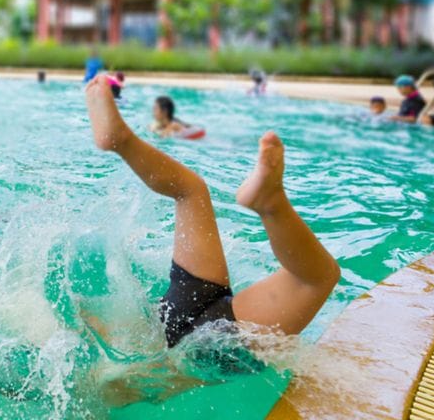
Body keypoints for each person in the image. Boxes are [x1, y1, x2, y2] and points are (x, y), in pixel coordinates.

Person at [83, 72, 340, 353]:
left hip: (192, 339)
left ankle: (272, 204)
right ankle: (123, 141)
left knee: (317, 278)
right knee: (190, 189)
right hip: (191, 324)